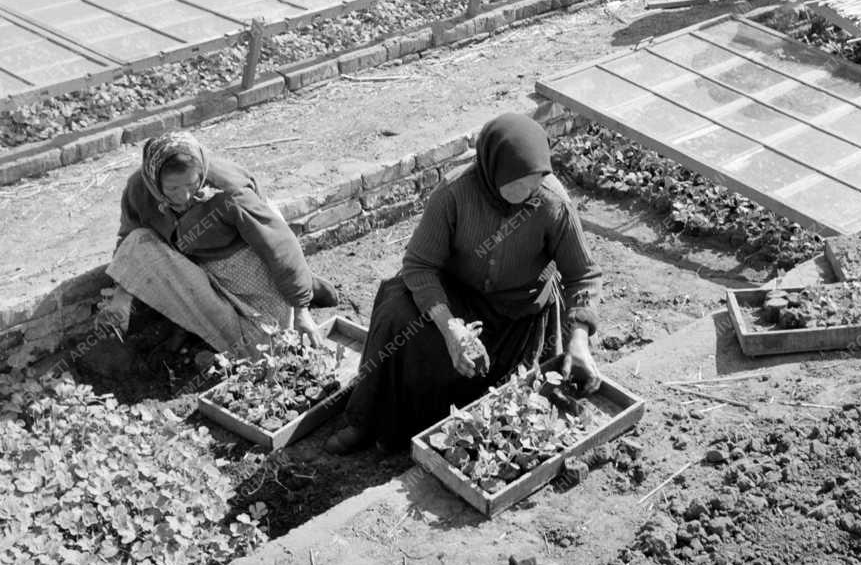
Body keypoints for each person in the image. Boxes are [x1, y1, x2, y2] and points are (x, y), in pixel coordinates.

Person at [325, 113, 602, 453]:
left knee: (512, 405)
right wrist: (451, 327)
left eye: (536, 182)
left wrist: (579, 340)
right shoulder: (455, 194)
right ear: (493, 169)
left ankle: (463, 436)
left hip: (520, 312)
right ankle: (366, 419)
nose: (530, 191)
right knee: (396, 309)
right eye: (519, 182)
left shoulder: (552, 202)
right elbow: (419, 265)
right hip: (458, 298)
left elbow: (583, 275)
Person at [102, 132, 338, 358]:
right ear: (154, 180)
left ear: (201, 174)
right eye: (172, 189)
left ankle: (217, 334)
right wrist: (122, 294)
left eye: (191, 185)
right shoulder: (140, 191)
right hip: (193, 266)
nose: (184, 197)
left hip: (247, 260)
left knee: (275, 342)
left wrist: (301, 309)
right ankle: (203, 329)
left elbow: (279, 245)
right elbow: (129, 240)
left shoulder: (228, 192)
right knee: (139, 242)